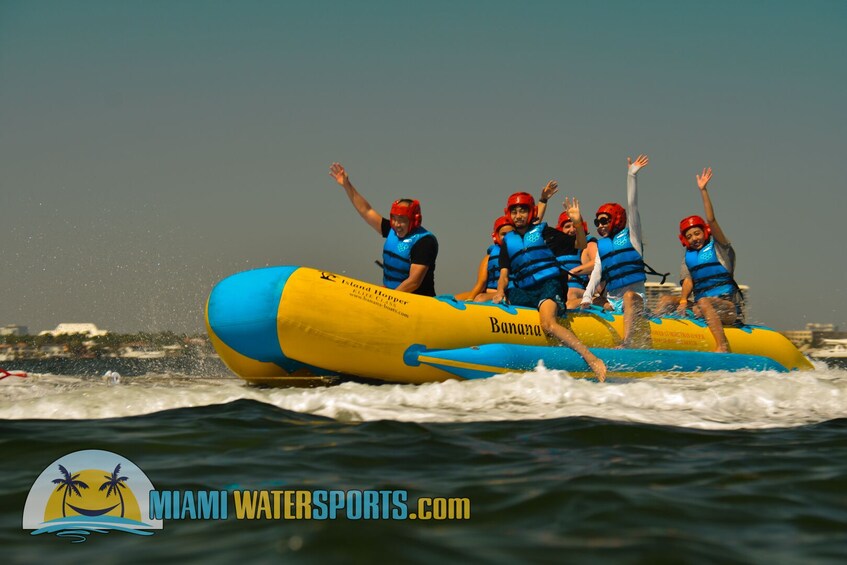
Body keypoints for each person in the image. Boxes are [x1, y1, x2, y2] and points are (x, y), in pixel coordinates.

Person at [492, 191, 607, 381]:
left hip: (549, 285)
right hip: (524, 290)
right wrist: (499, 292)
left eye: (522, 211)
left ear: (531, 212)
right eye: (514, 211)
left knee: (547, 324)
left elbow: (580, 244)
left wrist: (577, 223)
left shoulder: (544, 233)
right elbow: (504, 274)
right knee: (498, 302)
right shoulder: (508, 242)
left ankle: (592, 358)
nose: (518, 215)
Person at [655, 167, 742, 352]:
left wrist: (703, 190)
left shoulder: (721, 248)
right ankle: (649, 332)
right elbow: (688, 280)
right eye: (690, 236)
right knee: (666, 300)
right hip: (702, 307)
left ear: (705, 232)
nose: (694, 238)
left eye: (697, 233)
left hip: (727, 308)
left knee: (703, 302)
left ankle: (722, 345)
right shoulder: (689, 257)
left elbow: (711, 219)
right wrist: (683, 301)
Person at [329, 162, 438, 296]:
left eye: (402, 220)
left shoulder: (425, 242)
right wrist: (347, 185)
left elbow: (414, 282)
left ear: (415, 220)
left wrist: (388, 300)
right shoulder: (391, 229)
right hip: (391, 296)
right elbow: (366, 211)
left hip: (415, 300)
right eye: (394, 219)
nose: (397, 225)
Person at [580, 155, 650, 348]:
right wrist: (587, 296)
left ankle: (626, 342)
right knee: (591, 298)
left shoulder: (632, 237)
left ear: (616, 220)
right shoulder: (603, 246)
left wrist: (631, 176)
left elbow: (633, 207)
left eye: (604, 221)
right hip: (611, 304)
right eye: (597, 222)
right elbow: (596, 273)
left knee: (628, 296)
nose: (600, 225)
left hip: (635, 302)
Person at [455, 181, 560, 302]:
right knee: (470, 297)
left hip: (514, 290)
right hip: (495, 291)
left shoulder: (522, 239)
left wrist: (543, 200)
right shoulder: (493, 254)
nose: (506, 237)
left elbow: (535, 222)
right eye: (502, 234)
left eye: (508, 234)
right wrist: (470, 299)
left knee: (480, 298)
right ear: (495, 236)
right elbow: (482, 282)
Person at [554, 205, 598, 309]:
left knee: (570, 291)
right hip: (558, 289)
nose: (572, 230)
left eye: (575, 226)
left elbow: (597, 263)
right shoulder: (554, 248)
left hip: (578, 290)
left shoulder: (588, 243)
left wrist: (572, 272)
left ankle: (596, 302)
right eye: (567, 226)